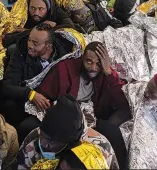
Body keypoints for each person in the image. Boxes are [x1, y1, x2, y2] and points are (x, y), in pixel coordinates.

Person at [29, 41, 130, 169]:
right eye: (89, 61)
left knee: (112, 132)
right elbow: (46, 93)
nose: (93, 67)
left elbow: (122, 102)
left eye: (98, 63)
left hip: (91, 120)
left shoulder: (105, 74)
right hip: (65, 117)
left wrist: (109, 72)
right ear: (82, 58)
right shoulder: (65, 68)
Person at [1, 24, 77, 130]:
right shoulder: (21, 53)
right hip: (27, 100)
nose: (30, 46)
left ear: (48, 46)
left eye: (35, 43)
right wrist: (30, 94)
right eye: (29, 40)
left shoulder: (64, 56)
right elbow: (7, 85)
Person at [17, 94, 119, 170]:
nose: (43, 145)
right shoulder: (34, 138)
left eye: (52, 142)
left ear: (70, 142)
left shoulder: (100, 149)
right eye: (43, 136)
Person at [3, 0, 75, 48]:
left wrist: (33, 30)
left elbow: (70, 26)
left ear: (48, 8)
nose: (36, 13)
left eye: (41, 9)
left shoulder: (54, 10)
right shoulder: (23, 11)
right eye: (33, 8)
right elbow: (7, 39)